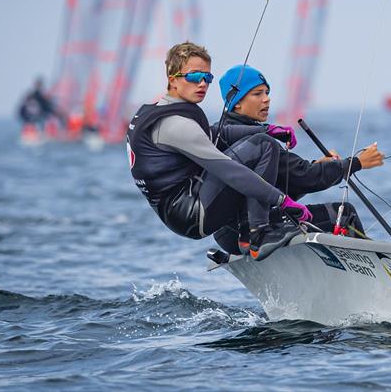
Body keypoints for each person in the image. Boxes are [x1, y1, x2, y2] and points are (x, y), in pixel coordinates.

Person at [126, 42, 310, 261]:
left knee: (261, 139)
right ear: (172, 78)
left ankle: (246, 236)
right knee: (263, 146)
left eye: (207, 78)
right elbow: (230, 171)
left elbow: (216, 133)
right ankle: (259, 235)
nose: (203, 83)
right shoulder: (176, 125)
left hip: (180, 209)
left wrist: (267, 128)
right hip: (192, 215)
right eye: (194, 77)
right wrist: (283, 201)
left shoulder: (158, 111)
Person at [211, 64, 385, 253]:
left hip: (225, 235)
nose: (266, 99)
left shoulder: (222, 133)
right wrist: (357, 163)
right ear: (237, 101)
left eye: (267, 93)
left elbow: (284, 181)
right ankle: (373, 269)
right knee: (344, 214)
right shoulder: (257, 141)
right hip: (250, 232)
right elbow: (306, 178)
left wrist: (317, 165)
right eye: (257, 94)